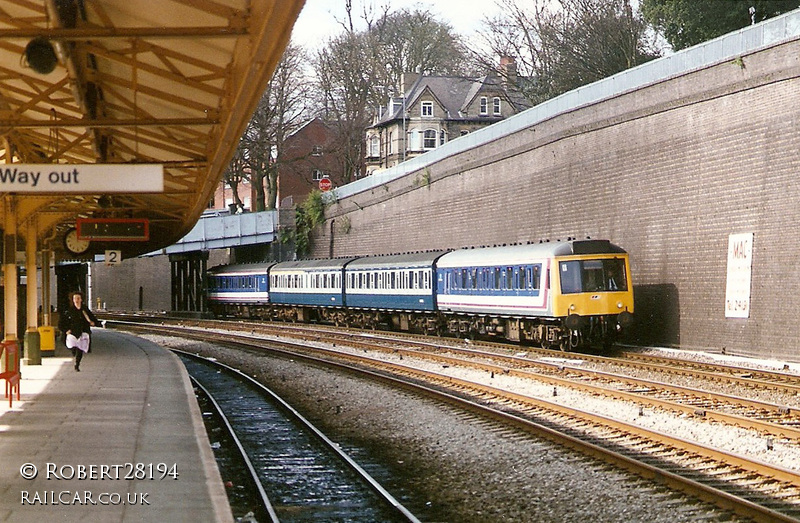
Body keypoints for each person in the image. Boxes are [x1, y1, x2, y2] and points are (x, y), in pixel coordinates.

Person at [58, 291, 98, 372]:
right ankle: (74, 352)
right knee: (72, 346)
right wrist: (66, 330)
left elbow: (92, 318)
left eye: (78, 298)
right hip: (72, 332)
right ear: (72, 300)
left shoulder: (85, 310)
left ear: (81, 299)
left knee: (80, 348)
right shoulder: (69, 311)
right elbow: (62, 322)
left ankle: (77, 364)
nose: (76, 300)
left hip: (83, 331)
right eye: (75, 298)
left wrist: (94, 322)